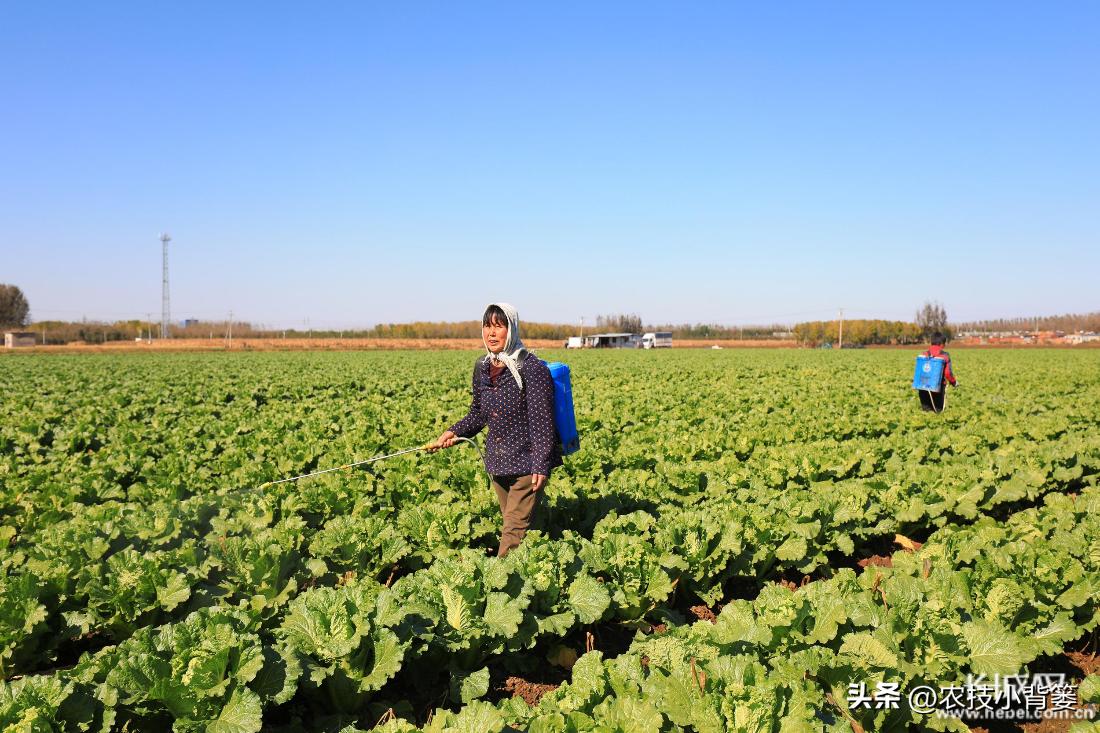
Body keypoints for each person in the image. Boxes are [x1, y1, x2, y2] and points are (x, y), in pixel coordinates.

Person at [430, 302, 562, 556]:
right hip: (498, 464)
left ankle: (501, 586)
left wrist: (541, 464)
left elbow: (542, 421)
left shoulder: (532, 369)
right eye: (487, 326)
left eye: (498, 326)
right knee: (518, 525)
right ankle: (536, 568)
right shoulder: (482, 367)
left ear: (511, 330)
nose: (491, 333)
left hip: (526, 466)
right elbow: (479, 413)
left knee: (512, 532)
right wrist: (454, 432)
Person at [918, 331, 957, 413]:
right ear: (942, 344)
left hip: (923, 387)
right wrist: (954, 382)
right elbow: (948, 373)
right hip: (937, 388)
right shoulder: (945, 356)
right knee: (938, 412)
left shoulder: (924, 354)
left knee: (926, 412)